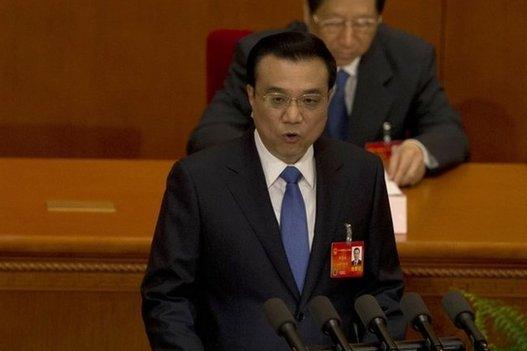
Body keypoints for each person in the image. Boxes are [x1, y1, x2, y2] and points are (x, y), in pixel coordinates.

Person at [142, 32, 404, 350]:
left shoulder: (361, 173)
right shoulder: (200, 180)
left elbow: (383, 291)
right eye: (277, 99)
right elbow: (167, 299)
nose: (293, 116)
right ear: (251, 97)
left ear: (330, 97)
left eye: (310, 100)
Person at [187, 0, 469, 187]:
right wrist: (267, 159)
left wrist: (419, 150)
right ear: (308, 15)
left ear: (379, 18)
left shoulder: (410, 58)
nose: (348, 39)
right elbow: (210, 133)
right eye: (334, 23)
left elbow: (448, 132)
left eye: (363, 24)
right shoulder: (262, 56)